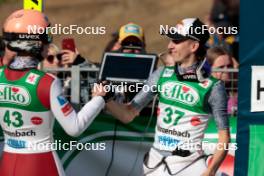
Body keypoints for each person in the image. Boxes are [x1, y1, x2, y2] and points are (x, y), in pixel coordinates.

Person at [106, 18, 230, 176]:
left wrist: (210, 171)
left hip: (190, 165)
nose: (169, 46)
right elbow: (128, 114)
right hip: (155, 165)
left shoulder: (214, 86)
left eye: (176, 41)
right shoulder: (161, 74)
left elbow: (224, 138)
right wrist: (106, 99)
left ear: (194, 46)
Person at [0, 9, 107, 176]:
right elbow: (74, 127)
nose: (49, 44)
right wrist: (99, 99)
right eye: (46, 37)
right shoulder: (47, 82)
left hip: (8, 162)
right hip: (40, 162)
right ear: (34, 42)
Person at [207, 46, 238, 115]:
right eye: (221, 67)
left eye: (229, 66)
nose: (227, 70)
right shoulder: (202, 92)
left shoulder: (237, 90)